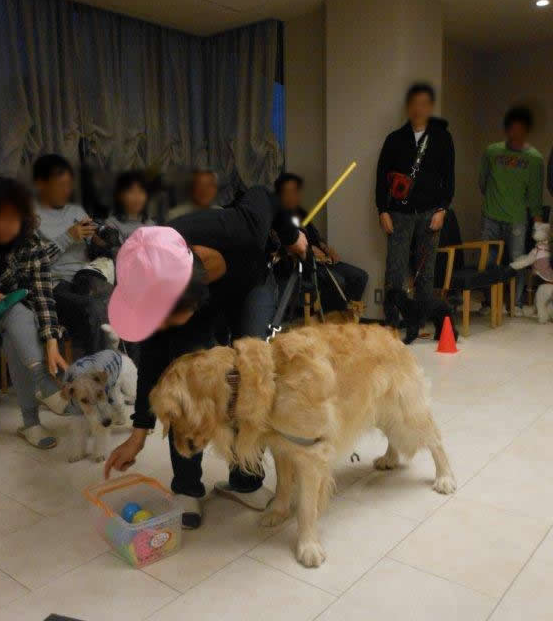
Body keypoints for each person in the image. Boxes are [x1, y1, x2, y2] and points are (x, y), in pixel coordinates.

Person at [104, 187, 307, 529]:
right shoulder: (154, 280)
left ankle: (245, 479)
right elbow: (155, 363)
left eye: (163, 318)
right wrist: (139, 433)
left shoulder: (240, 227)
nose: (160, 327)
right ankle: (186, 487)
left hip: (250, 286)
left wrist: (291, 237)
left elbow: (267, 196)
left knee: (249, 376)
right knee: (187, 379)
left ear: (186, 295)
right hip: (201, 303)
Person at [0, 178, 69, 450]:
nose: (5, 225)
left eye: (13, 218)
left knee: (18, 318)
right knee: (16, 315)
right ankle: (38, 403)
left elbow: (43, 294)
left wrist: (52, 343)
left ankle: (32, 421)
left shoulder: (30, 242)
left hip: (5, 312)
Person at [376, 82, 455, 327]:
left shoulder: (442, 138)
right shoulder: (394, 139)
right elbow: (381, 177)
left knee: (425, 271)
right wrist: (382, 210)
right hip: (399, 213)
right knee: (395, 270)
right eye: (414, 103)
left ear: (430, 107)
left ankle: (420, 322)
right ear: (408, 107)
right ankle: (392, 322)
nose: (418, 108)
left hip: (431, 212)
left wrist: (443, 209)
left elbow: (449, 178)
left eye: (424, 104)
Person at [34, 154, 110, 353]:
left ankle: (127, 364)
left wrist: (99, 238)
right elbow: (34, 262)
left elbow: (95, 243)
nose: (66, 191)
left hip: (85, 277)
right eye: (60, 185)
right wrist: (68, 237)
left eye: (69, 185)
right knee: (94, 307)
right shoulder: (31, 216)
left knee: (118, 299)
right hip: (55, 285)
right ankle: (100, 366)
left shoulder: (75, 210)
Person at [479, 105, 544, 315]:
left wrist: (538, 223)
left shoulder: (534, 159)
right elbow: (483, 182)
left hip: (517, 219)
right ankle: (489, 303)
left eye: (521, 128)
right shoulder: (492, 152)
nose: (516, 133)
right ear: (507, 129)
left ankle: (515, 304)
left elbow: (535, 194)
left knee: (517, 261)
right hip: (491, 216)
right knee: (488, 261)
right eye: (513, 128)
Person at [274, 173, 368, 311]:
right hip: (306, 264)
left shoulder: (301, 213)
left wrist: (326, 248)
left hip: (324, 260)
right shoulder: (277, 218)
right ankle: (333, 318)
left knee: (361, 276)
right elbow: (283, 247)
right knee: (339, 282)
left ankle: (346, 316)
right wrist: (309, 251)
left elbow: (316, 237)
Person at [106, 170, 155, 242]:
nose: (137, 196)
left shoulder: (151, 224)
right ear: (120, 195)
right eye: (131, 191)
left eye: (141, 191)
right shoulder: (112, 225)